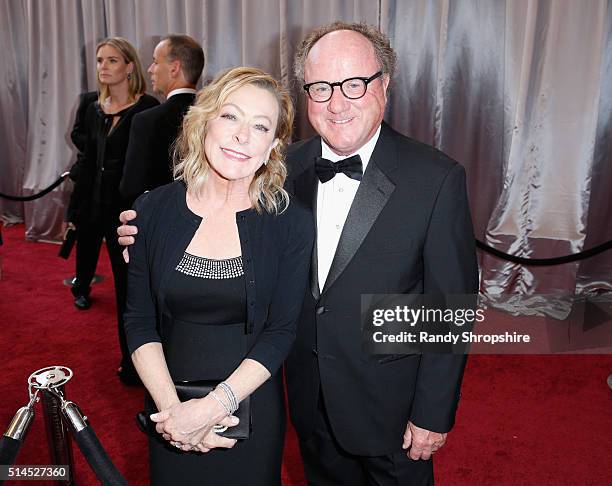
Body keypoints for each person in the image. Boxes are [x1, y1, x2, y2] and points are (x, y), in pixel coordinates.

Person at [119, 22, 478, 485]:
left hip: (390, 405)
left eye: (354, 84)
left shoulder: (436, 178)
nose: (337, 102)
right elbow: (207, 215)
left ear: (384, 85)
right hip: (304, 396)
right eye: (322, 87)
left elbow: (450, 309)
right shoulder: (281, 168)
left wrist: (433, 411)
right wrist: (141, 232)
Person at [123, 66, 313, 486]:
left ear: (273, 146)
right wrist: (175, 413)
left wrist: (210, 410)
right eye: (230, 116)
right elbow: (139, 322)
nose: (242, 136)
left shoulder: (291, 224)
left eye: (260, 126)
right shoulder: (152, 211)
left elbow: (281, 331)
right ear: (204, 121)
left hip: (249, 408)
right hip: (168, 408)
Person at [67, 37, 159, 385]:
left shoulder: (147, 107)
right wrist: (75, 209)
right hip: (93, 205)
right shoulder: (93, 108)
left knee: (129, 292)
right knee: (88, 260)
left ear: (130, 67)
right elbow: (88, 161)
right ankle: (81, 289)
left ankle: (134, 361)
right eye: (100, 60)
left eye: (113, 60)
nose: (103, 67)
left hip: (128, 213)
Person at [120, 35, 205, 204]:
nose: (150, 69)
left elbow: (130, 189)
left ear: (174, 68)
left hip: (159, 220)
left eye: (155, 62)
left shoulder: (147, 121)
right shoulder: (213, 116)